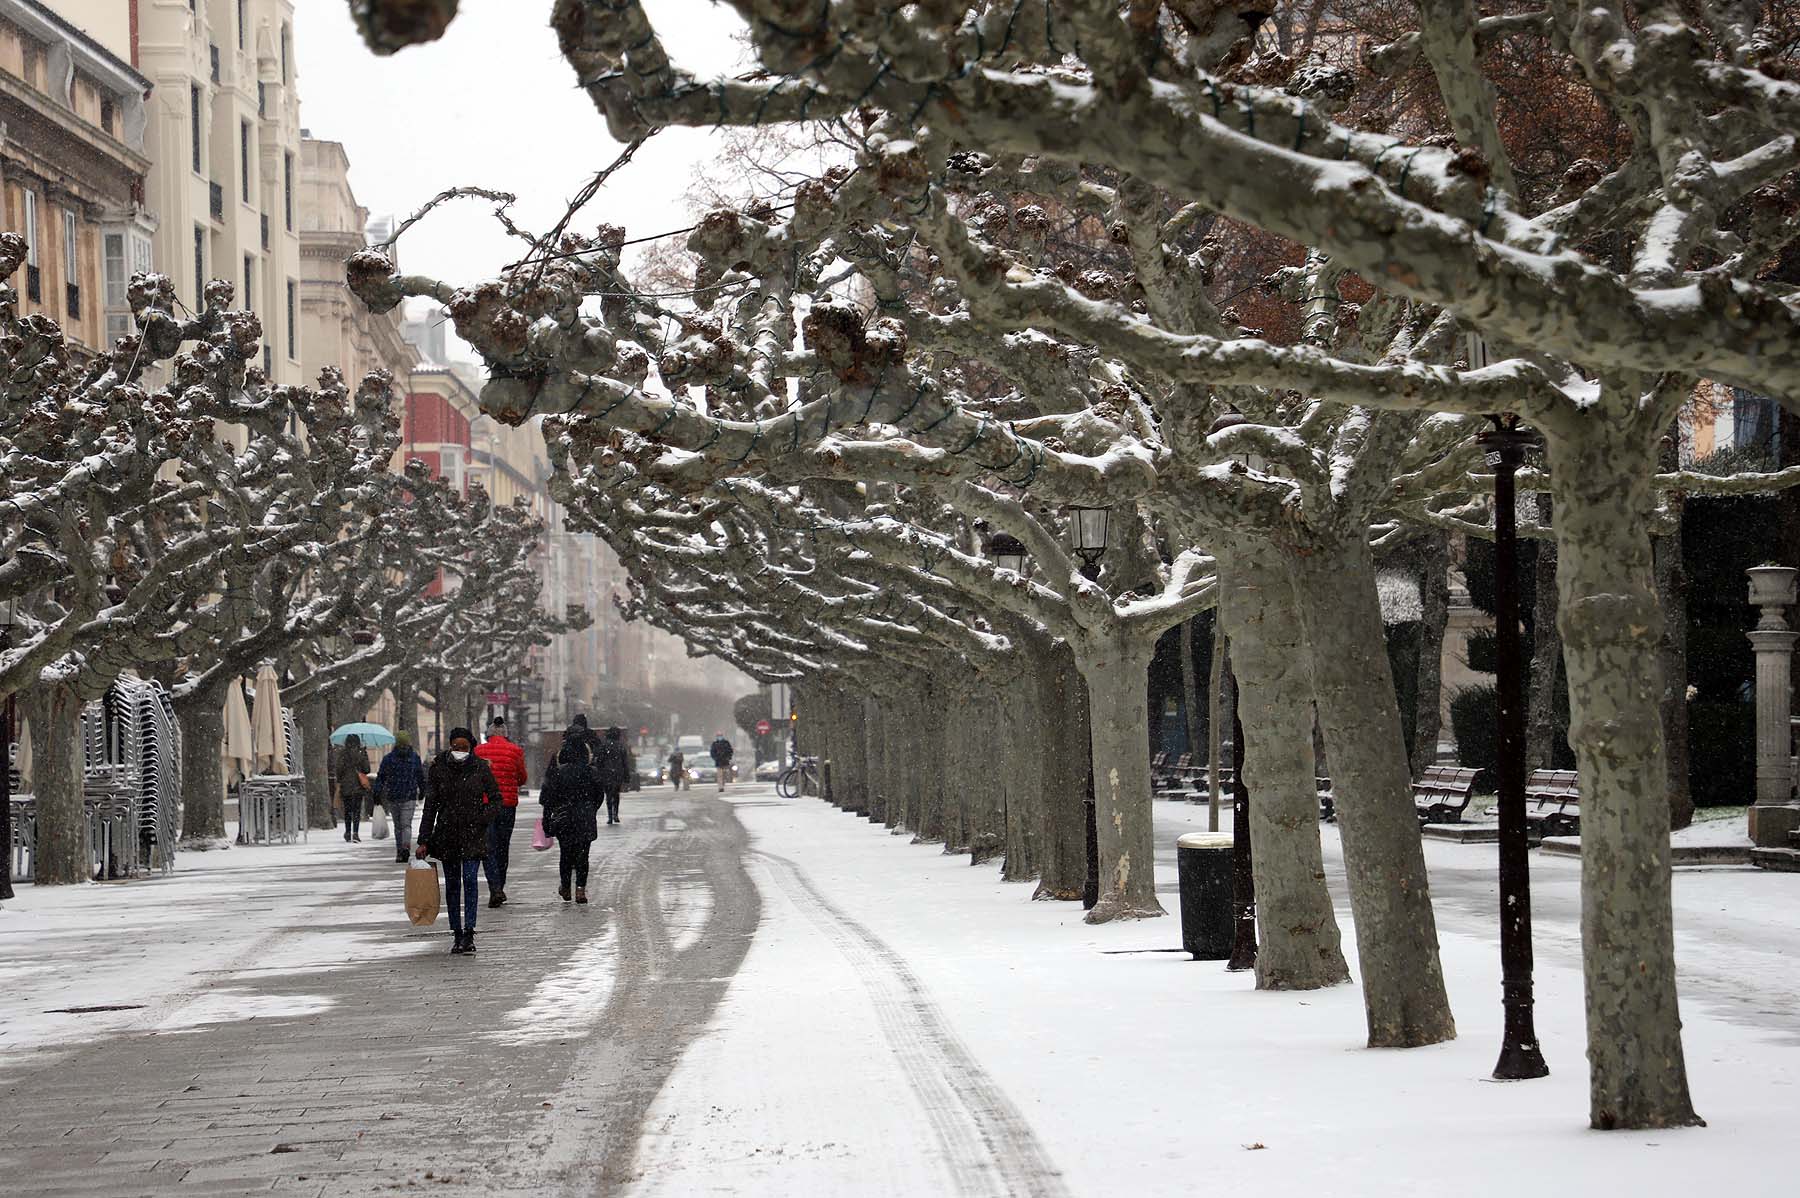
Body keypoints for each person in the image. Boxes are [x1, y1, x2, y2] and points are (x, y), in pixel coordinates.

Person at [417, 727, 503, 955]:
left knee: (470, 880)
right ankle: (456, 932)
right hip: (447, 835)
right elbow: (430, 806)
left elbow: (496, 799)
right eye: (456, 747)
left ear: (471, 747)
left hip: (473, 835)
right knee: (453, 885)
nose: (459, 751)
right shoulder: (439, 769)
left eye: (464, 748)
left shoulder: (480, 768)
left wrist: (482, 817)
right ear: (450, 746)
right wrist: (423, 840)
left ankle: (469, 930)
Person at [474, 715, 528, 908]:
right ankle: (500, 885)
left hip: (486, 804)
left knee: (487, 847)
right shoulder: (515, 751)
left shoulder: (479, 751)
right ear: (506, 734)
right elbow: (522, 777)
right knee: (502, 846)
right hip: (506, 805)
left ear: (488, 734)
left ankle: (494, 886)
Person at [540, 742, 601, 902]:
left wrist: (547, 820)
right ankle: (580, 889)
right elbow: (599, 794)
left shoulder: (557, 773)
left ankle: (565, 886)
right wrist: (590, 809)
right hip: (584, 818)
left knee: (565, 854)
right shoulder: (591, 772)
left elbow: (547, 799)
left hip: (564, 817)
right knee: (583, 855)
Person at [376, 732, 426, 864]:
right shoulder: (414, 758)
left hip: (393, 796)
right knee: (406, 825)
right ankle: (405, 846)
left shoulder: (389, 759)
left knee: (398, 826)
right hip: (409, 795)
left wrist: (377, 792)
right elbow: (420, 775)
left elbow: (381, 777)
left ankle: (400, 851)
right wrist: (422, 790)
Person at [336, 733, 373, 842]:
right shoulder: (361, 753)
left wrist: (341, 780)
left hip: (346, 786)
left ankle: (348, 832)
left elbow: (339, 770)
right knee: (356, 811)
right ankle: (355, 832)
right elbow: (367, 769)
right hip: (358, 786)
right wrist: (363, 756)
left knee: (347, 810)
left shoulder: (343, 754)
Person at [594, 726, 630, 824]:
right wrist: (626, 776)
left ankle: (610, 815)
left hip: (606, 774)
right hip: (618, 773)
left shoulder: (604, 746)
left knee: (608, 795)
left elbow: (599, 761)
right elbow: (625, 763)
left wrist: (599, 772)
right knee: (616, 794)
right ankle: (615, 814)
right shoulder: (621, 746)